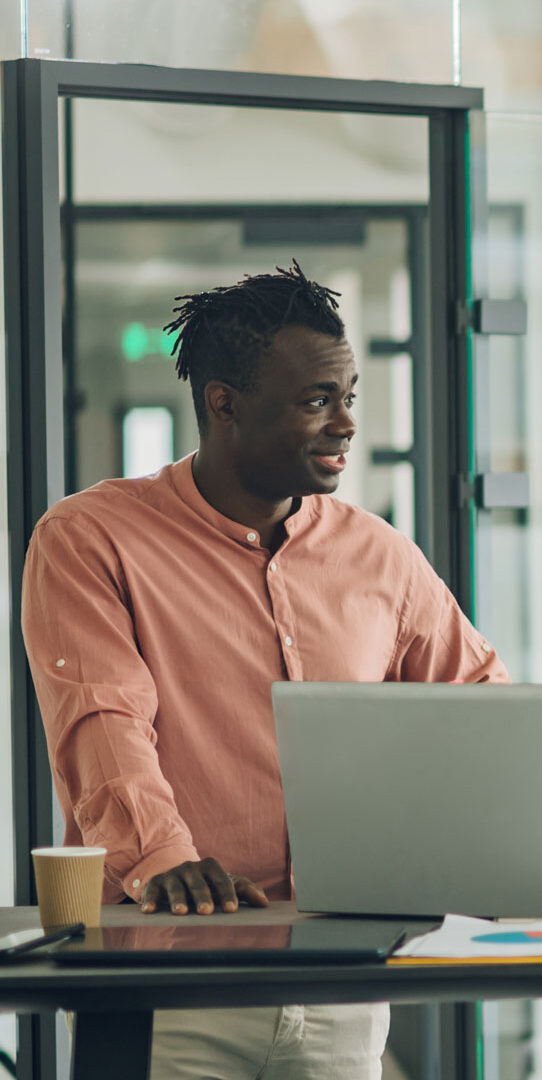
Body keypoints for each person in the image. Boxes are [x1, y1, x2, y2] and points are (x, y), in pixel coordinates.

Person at [20, 264, 508, 1079]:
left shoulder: (379, 555)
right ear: (224, 402)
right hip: (170, 971)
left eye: (350, 395)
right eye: (318, 400)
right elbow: (102, 724)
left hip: (343, 977)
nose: (346, 423)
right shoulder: (89, 539)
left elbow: (484, 714)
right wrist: (163, 860)